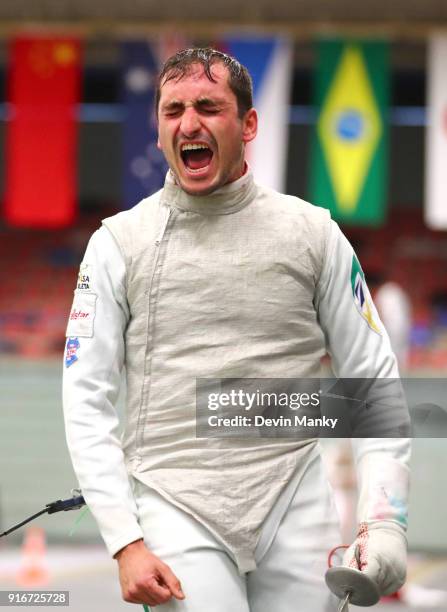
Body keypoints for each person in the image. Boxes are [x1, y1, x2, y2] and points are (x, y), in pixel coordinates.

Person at [63, 48, 410, 611]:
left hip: (294, 499)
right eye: (173, 110)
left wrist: (384, 519)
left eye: (208, 106)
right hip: (175, 503)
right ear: (157, 131)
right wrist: (124, 539)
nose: (189, 123)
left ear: (248, 124)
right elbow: (86, 397)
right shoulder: (116, 244)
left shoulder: (314, 234)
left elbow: (372, 379)